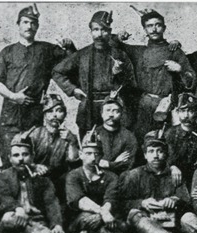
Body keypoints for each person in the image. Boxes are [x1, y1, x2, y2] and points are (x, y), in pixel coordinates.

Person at [65, 128, 174, 233]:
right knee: (90, 219)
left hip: (105, 220)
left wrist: (105, 213)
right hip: (81, 221)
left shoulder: (110, 177)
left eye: (97, 154)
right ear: (81, 154)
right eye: (88, 153)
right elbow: (79, 201)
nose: (92, 158)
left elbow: (111, 199)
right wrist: (103, 212)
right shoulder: (74, 175)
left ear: (101, 156)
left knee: (107, 226)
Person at [0, 4, 76, 170]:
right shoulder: (7, 52)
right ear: (18, 24)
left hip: (35, 113)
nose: (29, 26)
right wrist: (13, 96)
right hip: (11, 113)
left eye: (33, 23)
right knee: (11, 159)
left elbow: (72, 64)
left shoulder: (47, 50)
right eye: (25, 22)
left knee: (36, 159)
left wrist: (69, 46)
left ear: (37, 26)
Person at [114, 6, 196, 143]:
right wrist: (118, 37)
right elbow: (112, 45)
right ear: (145, 30)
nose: (154, 29)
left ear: (164, 28)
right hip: (143, 106)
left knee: (166, 143)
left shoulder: (174, 51)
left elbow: (191, 79)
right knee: (141, 142)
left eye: (158, 25)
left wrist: (180, 69)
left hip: (166, 106)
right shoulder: (139, 52)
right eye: (149, 26)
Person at [118, 128, 193, 233]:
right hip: (142, 230)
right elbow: (120, 204)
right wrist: (141, 203)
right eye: (151, 151)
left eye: (160, 151)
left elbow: (187, 202)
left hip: (169, 227)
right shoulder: (133, 175)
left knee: (183, 226)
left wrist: (174, 200)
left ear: (166, 154)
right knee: (134, 213)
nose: (156, 155)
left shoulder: (175, 175)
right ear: (145, 155)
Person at [52, 10, 136, 139]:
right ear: (91, 32)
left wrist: (118, 75)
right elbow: (57, 71)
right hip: (89, 108)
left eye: (104, 30)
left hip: (114, 108)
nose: (99, 34)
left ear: (110, 31)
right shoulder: (82, 54)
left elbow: (131, 83)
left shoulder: (120, 55)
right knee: (89, 146)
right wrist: (73, 90)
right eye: (95, 30)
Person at [26, 93, 79, 225]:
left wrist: (72, 142)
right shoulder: (35, 134)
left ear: (65, 115)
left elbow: (73, 161)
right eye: (50, 111)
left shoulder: (68, 137)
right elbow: (22, 158)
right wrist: (34, 166)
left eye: (59, 111)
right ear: (44, 115)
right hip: (36, 179)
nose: (55, 115)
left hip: (57, 181)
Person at [165, 92, 197, 190]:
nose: (186, 115)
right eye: (182, 111)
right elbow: (165, 156)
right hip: (177, 179)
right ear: (177, 112)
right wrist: (171, 166)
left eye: (190, 111)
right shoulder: (171, 133)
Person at [95, 93, 138, 175]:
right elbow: (91, 161)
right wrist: (114, 163)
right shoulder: (94, 134)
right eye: (107, 110)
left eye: (116, 111)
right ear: (101, 113)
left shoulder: (129, 136)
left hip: (120, 177)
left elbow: (127, 164)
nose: (111, 115)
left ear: (121, 114)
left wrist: (105, 163)